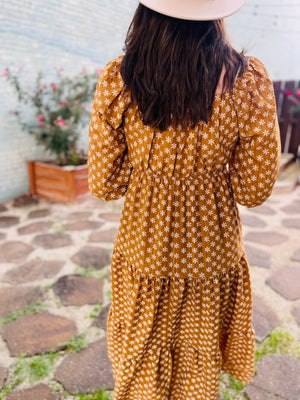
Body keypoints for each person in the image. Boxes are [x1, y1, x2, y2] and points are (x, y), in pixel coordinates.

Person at [88, 0, 281, 399]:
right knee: (200, 362)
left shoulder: (119, 79)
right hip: (212, 249)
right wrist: (211, 172)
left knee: (141, 360)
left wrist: (148, 173)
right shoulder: (247, 80)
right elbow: (253, 189)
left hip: (145, 248)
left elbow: (104, 183)